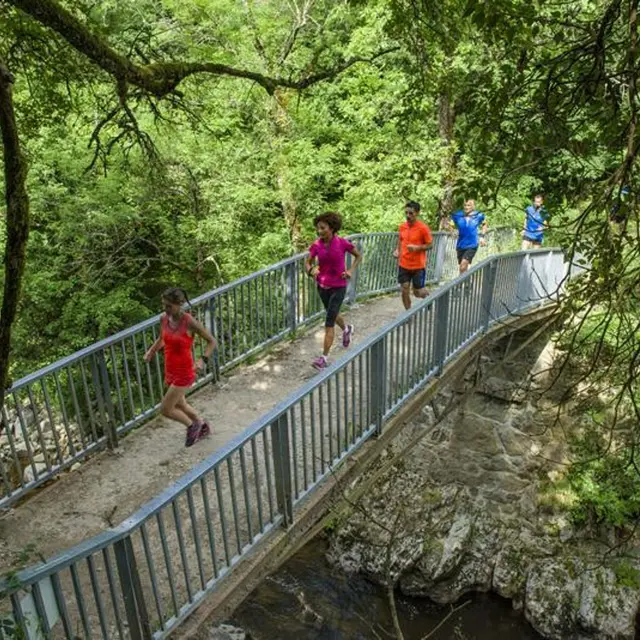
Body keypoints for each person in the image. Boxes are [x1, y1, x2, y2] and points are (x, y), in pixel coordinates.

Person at [144, 287, 217, 447]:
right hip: (170, 369)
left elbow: (212, 341)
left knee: (166, 409)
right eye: (164, 305)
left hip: (184, 371)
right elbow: (162, 339)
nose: (166, 309)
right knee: (180, 404)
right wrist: (151, 351)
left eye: (169, 306)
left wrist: (202, 360)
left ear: (180, 304)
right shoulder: (164, 318)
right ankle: (202, 425)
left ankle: (192, 426)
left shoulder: (189, 322)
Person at [305, 212, 362, 370]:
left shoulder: (342, 243)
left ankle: (323, 358)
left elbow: (358, 256)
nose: (319, 231)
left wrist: (350, 270)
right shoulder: (316, 245)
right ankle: (347, 329)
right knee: (334, 314)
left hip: (338, 286)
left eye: (323, 228)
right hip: (322, 286)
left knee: (329, 322)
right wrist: (310, 271)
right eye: (318, 228)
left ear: (332, 228)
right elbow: (308, 262)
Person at [393, 200, 433, 310]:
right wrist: (397, 250)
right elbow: (401, 240)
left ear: (417, 213)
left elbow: (430, 245)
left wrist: (417, 248)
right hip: (404, 264)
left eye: (411, 213)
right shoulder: (402, 227)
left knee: (417, 292)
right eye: (406, 213)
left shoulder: (423, 228)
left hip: (418, 266)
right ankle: (408, 314)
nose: (408, 215)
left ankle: (428, 297)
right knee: (404, 289)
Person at [450, 199, 487, 274]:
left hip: (472, 245)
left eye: (468, 205)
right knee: (463, 268)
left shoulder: (478, 215)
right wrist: (452, 231)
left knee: (463, 266)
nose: (466, 207)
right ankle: (466, 280)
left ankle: (460, 281)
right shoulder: (458, 215)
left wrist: (482, 236)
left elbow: (485, 224)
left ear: (473, 206)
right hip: (460, 245)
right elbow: (451, 224)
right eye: (465, 205)